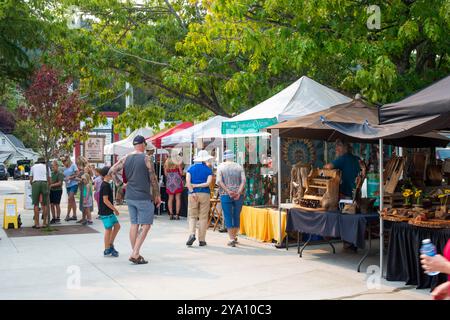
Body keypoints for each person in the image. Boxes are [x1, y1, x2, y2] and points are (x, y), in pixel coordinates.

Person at [109, 135, 161, 265]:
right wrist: (157, 195)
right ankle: (135, 253)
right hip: (143, 196)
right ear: (143, 144)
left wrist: (120, 185)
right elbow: (153, 178)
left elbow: (111, 171)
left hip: (130, 196)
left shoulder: (125, 158)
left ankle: (135, 253)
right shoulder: (146, 158)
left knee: (134, 224)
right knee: (146, 225)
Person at [216, 150, 246, 247]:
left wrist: (228, 191)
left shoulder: (221, 166)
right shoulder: (239, 166)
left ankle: (231, 238)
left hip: (225, 194)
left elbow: (219, 181)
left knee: (228, 215)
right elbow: (243, 181)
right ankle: (235, 236)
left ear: (225, 157)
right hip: (238, 195)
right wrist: (238, 192)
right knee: (236, 215)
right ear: (233, 157)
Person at [185, 150, 214, 247]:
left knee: (192, 216)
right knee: (203, 217)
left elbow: (187, 182)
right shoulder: (208, 169)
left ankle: (192, 234)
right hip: (205, 194)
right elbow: (208, 183)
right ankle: (202, 240)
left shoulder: (190, 168)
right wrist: (199, 185)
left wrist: (193, 190)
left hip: (193, 194)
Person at [98, 166, 120, 257]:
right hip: (105, 211)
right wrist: (115, 209)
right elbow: (105, 200)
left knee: (117, 226)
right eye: (111, 173)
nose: (112, 174)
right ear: (107, 175)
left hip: (109, 211)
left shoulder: (106, 184)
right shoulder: (105, 185)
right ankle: (107, 248)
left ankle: (110, 244)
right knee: (108, 229)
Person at [30, 157, 50, 228]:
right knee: (44, 204)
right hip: (44, 183)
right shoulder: (47, 167)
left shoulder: (33, 167)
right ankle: (44, 223)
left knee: (36, 204)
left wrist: (33, 185)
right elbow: (49, 178)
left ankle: (37, 223)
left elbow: (31, 179)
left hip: (36, 183)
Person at [164, 151, 184, 220]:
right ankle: (177, 215)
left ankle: (171, 214)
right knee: (178, 198)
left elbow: (165, 174)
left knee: (170, 198)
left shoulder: (166, 162)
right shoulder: (177, 162)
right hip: (177, 181)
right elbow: (181, 173)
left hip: (170, 182)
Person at [63, 157, 79, 221]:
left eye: (64, 161)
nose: (63, 162)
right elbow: (64, 176)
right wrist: (64, 178)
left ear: (68, 160)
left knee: (70, 199)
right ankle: (74, 215)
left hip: (74, 184)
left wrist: (71, 177)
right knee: (72, 200)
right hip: (68, 185)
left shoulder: (73, 165)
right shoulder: (64, 167)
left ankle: (68, 215)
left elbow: (77, 173)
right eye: (62, 161)